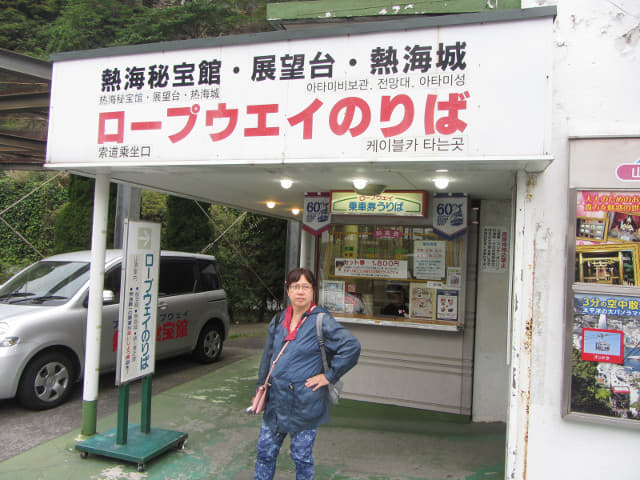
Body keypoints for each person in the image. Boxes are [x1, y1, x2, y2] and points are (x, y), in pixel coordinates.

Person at [253, 267, 361, 480]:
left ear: (313, 291)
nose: (300, 291)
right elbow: (268, 356)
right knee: (265, 452)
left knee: (301, 457)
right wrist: (260, 386)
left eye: (305, 287)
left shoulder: (321, 321)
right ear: (288, 290)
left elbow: (351, 347)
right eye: (295, 287)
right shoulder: (278, 320)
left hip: (305, 403)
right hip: (276, 401)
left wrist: (328, 376)